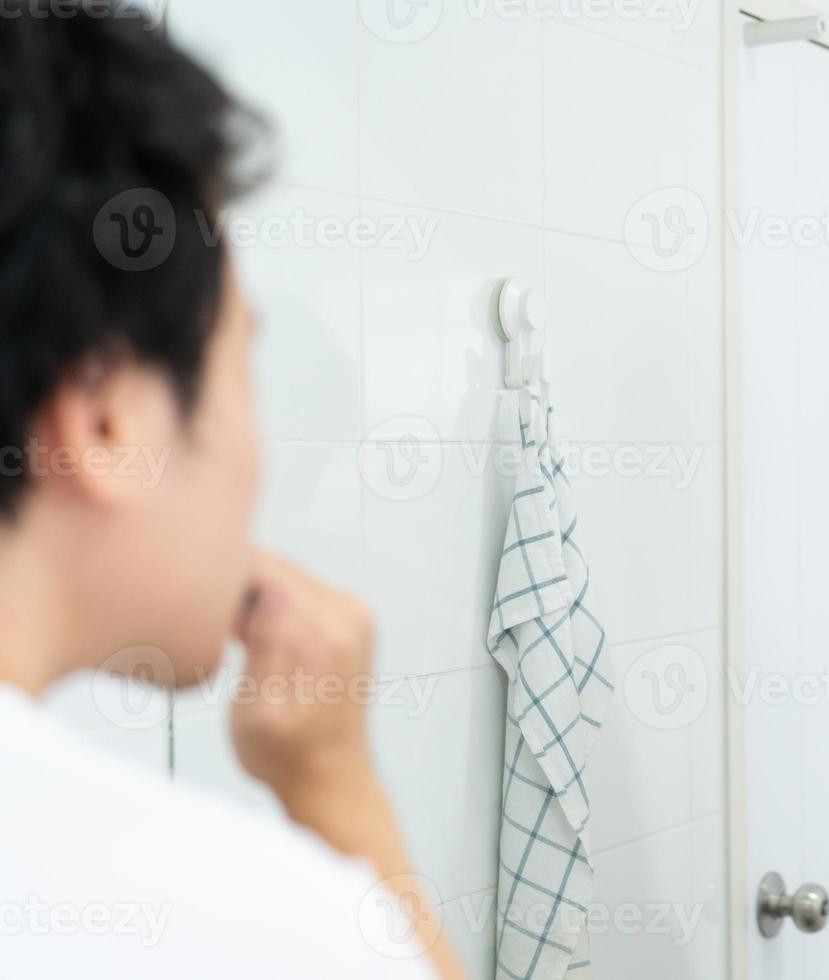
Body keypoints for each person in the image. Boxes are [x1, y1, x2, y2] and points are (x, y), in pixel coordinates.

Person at [0, 7, 463, 978]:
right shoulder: (242, 927)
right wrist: (341, 796)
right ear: (105, 425)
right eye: (242, 369)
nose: (262, 457)